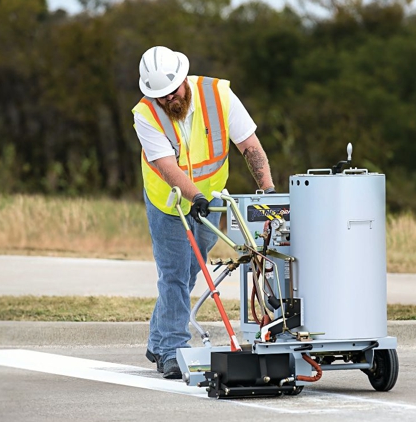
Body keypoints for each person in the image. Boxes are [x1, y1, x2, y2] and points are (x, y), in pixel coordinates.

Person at [132, 46, 276, 379]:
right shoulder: (145, 114)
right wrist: (193, 195)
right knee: (174, 274)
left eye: (174, 91)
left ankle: (157, 338)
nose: (170, 100)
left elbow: (250, 146)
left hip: (210, 202)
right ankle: (170, 349)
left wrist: (268, 192)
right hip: (168, 203)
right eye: (162, 96)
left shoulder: (218, 95)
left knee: (191, 269)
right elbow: (166, 166)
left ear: (184, 78)